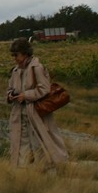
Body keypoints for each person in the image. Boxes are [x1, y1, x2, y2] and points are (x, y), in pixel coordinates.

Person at [6, 38, 68, 168]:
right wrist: (11, 95)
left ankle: (48, 169)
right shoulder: (15, 71)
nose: (14, 58)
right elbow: (10, 88)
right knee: (21, 144)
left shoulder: (37, 68)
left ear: (24, 53)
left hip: (35, 112)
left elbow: (44, 88)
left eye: (16, 55)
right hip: (19, 114)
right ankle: (23, 172)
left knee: (40, 142)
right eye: (13, 55)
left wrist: (26, 95)